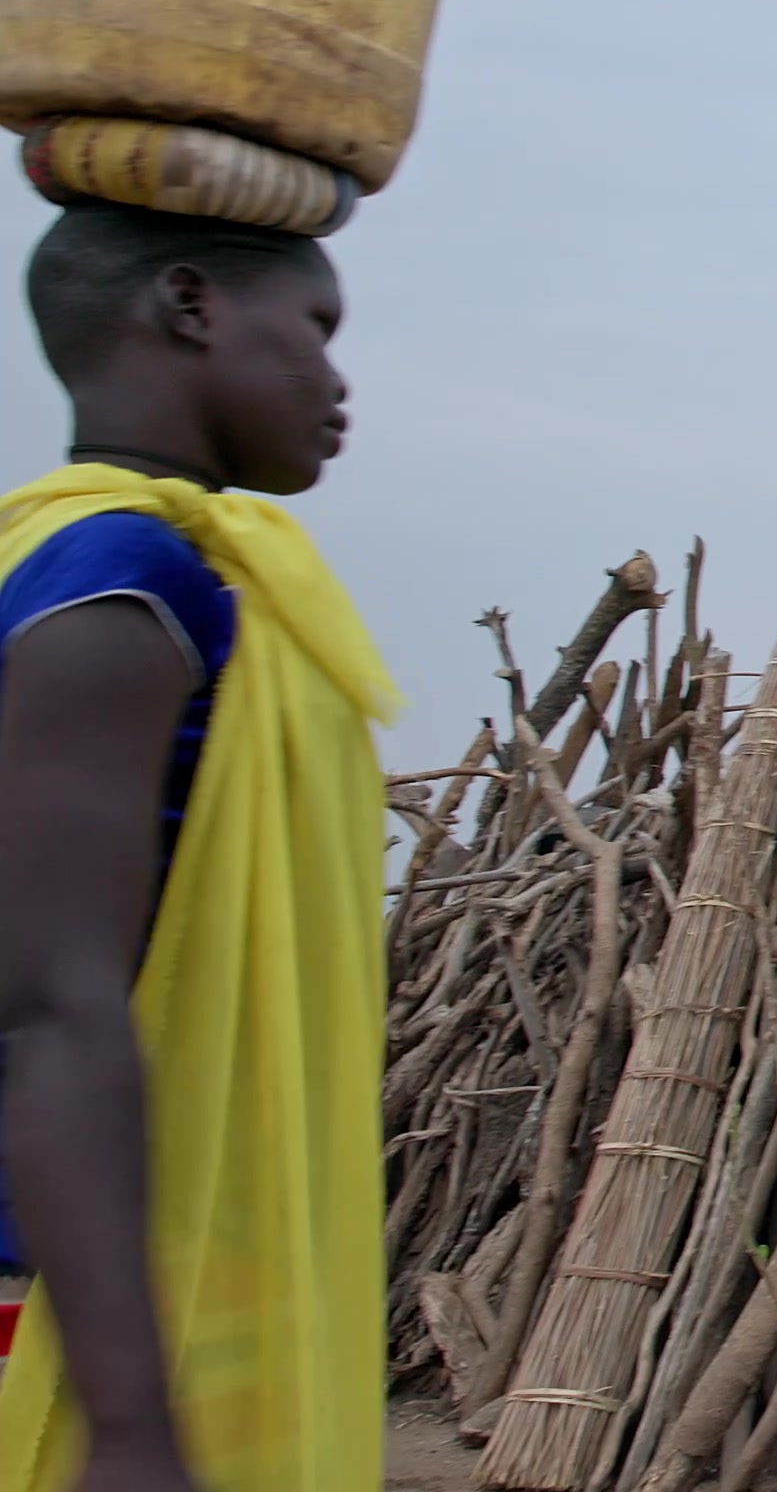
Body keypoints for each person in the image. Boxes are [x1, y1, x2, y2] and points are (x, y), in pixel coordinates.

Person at [0, 202, 396, 1492]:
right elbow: (51, 1003)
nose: (335, 381)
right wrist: (127, 1430)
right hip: (58, 1298)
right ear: (191, 305)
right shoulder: (118, 576)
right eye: (316, 330)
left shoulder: (124, 566)